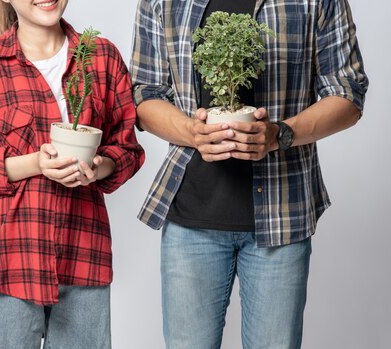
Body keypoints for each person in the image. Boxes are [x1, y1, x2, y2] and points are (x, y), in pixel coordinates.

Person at [131, 0, 368, 348]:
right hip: (190, 221)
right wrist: (191, 131)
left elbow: (348, 93)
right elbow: (144, 93)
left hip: (282, 218)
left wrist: (280, 134)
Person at [0, 0, 144, 347]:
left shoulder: (101, 57)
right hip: (9, 260)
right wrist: (34, 163)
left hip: (84, 256)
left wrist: (98, 168)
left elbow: (126, 148)